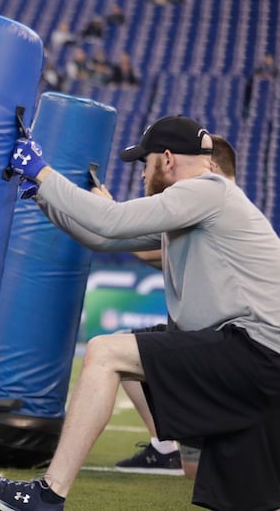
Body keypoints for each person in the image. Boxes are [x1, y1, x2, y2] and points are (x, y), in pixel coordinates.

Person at [0, 116, 280, 511]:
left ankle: (48, 495)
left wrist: (42, 170)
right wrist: (45, 196)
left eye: (145, 161)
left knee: (105, 353)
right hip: (256, 359)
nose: (143, 172)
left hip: (254, 352)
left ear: (167, 159)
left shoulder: (206, 190)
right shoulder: (201, 203)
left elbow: (111, 220)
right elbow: (103, 238)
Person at [99, 135, 236, 479]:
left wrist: (107, 213)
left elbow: (136, 243)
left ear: (211, 167)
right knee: (120, 348)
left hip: (228, 350)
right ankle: (165, 445)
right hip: (206, 344)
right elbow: (151, 250)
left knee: (223, 475)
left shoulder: (221, 210)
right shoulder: (204, 210)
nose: (146, 174)